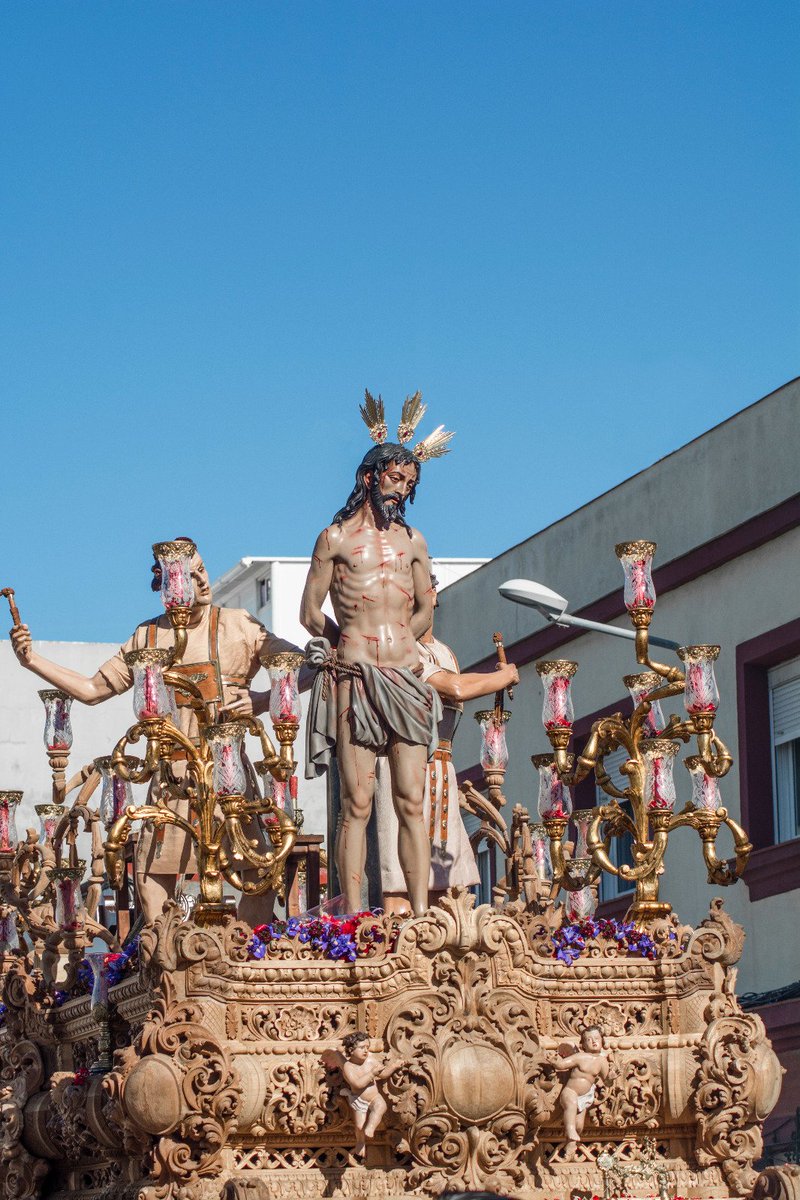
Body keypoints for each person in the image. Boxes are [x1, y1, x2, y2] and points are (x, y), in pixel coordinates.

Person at [10, 539, 300, 925]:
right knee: (150, 877)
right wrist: (31, 662)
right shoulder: (146, 638)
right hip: (170, 781)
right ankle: (173, 960)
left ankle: (236, 960)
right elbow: (93, 689)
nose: (200, 580)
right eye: (187, 575)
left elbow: (300, 665)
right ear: (167, 583)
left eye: (201, 569)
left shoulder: (239, 625)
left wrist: (262, 700)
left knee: (259, 876)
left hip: (227, 780)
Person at [301, 392, 453, 917]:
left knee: (412, 800)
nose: (403, 490)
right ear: (370, 477)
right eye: (395, 479)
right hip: (356, 679)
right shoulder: (335, 539)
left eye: (410, 483)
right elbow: (308, 612)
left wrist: (406, 642)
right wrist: (344, 645)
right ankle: (355, 916)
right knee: (357, 803)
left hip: (404, 680)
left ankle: (416, 913)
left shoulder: (414, 541)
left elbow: (425, 612)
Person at [375, 574, 520, 913]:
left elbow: (458, 681)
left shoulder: (444, 652)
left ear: (434, 596)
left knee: (448, 887)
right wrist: (503, 675)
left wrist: (494, 677)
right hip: (403, 766)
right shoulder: (396, 647)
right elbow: (453, 687)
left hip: (441, 771)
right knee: (400, 884)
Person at [321, 1031, 403, 1159]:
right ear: (351, 1050)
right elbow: (357, 1084)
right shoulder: (348, 1067)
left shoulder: (370, 1061)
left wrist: (393, 1066)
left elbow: (383, 1074)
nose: (366, 1051)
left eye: (367, 1047)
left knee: (381, 1107)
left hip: (375, 1096)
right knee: (359, 1125)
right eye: (361, 1048)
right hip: (359, 1100)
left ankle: (370, 1127)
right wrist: (372, 1074)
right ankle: (360, 1142)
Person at [556, 1025, 611, 1153]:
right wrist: (555, 1061)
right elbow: (562, 1064)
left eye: (597, 1038)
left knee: (579, 1125)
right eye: (589, 1039)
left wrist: (612, 1078)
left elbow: (607, 1082)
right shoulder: (580, 1057)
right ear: (583, 1045)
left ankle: (570, 1142)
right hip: (571, 1092)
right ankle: (570, 1132)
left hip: (585, 1097)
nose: (594, 1041)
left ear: (603, 1041)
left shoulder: (602, 1062)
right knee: (571, 1105)